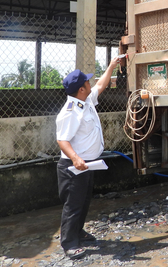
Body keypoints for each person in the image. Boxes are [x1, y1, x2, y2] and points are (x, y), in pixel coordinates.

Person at [55, 55, 123, 259]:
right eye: (87, 81)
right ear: (81, 89)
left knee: (84, 202)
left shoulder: (86, 100)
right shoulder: (70, 112)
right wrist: (76, 159)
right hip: (74, 167)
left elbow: (101, 85)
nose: (90, 82)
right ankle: (69, 243)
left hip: (87, 165)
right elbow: (62, 140)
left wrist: (111, 65)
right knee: (73, 205)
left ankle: (78, 232)